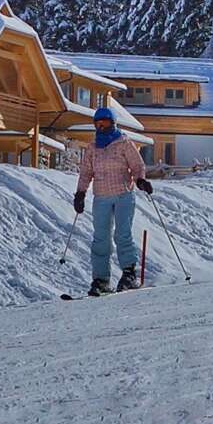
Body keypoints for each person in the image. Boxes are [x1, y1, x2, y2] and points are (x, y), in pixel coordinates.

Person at [74, 107, 153, 296]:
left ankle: (129, 274)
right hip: (101, 197)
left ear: (113, 123)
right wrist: (80, 193)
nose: (101, 126)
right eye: (98, 123)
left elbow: (137, 165)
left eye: (105, 123)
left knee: (122, 234)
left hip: (123, 194)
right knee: (101, 237)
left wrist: (140, 179)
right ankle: (101, 279)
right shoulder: (93, 148)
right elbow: (86, 172)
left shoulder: (123, 142)